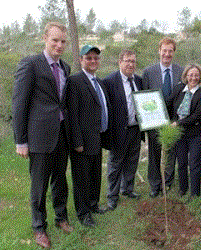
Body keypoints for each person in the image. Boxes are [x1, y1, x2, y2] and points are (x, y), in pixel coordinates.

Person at [12, 22, 72, 248]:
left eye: (63, 41)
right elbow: (19, 104)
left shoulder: (65, 67)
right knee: (39, 185)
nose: (59, 45)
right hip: (39, 137)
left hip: (61, 135)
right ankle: (39, 227)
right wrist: (21, 140)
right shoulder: (30, 64)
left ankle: (61, 218)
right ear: (45, 38)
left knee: (60, 181)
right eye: (55, 40)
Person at [66, 45, 110, 227]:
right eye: (89, 58)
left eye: (96, 58)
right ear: (81, 60)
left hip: (97, 137)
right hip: (82, 141)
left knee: (95, 175)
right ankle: (83, 213)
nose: (93, 61)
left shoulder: (98, 82)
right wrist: (76, 141)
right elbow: (72, 114)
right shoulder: (75, 81)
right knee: (82, 179)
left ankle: (93, 205)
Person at [102, 49, 143, 211]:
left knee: (132, 161)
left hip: (135, 129)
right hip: (119, 131)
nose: (130, 64)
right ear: (120, 62)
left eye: (133, 61)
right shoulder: (109, 81)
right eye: (127, 61)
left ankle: (127, 189)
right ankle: (112, 196)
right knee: (115, 164)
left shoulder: (139, 81)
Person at [142, 37, 184, 197]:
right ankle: (154, 184)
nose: (167, 54)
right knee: (154, 152)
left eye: (170, 51)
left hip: (173, 119)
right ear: (159, 51)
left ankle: (167, 182)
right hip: (154, 119)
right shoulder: (148, 72)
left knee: (171, 151)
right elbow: (144, 97)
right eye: (164, 50)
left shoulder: (181, 71)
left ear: (174, 52)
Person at [166, 64, 201, 201]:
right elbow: (168, 103)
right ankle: (183, 189)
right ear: (186, 76)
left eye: (196, 75)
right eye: (191, 75)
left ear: (200, 77)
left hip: (196, 135)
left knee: (194, 164)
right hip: (180, 134)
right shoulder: (179, 89)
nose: (193, 78)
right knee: (182, 163)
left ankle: (194, 194)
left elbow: (196, 116)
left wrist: (177, 123)